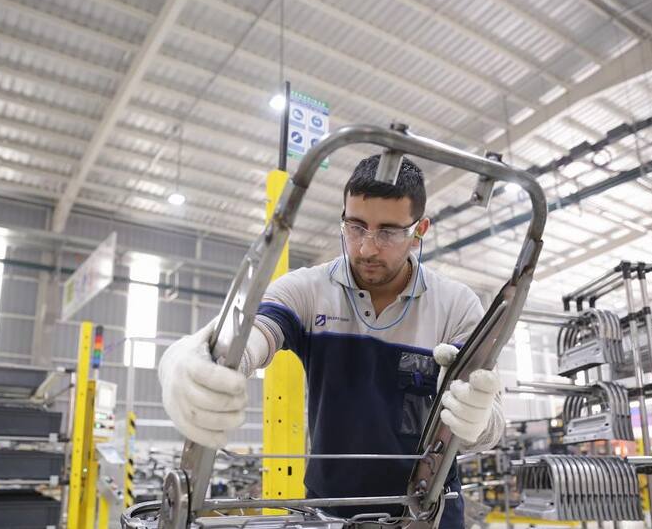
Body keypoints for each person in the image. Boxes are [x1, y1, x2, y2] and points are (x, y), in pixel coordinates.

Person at [159, 154, 505, 529]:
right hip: (331, 514)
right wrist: (197, 359)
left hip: (430, 514)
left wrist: (478, 422)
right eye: (355, 227)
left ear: (419, 229)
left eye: (387, 232)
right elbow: (253, 333)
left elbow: (491, 418)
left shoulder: (455, 305)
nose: (366, 249)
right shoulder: (309, 290)